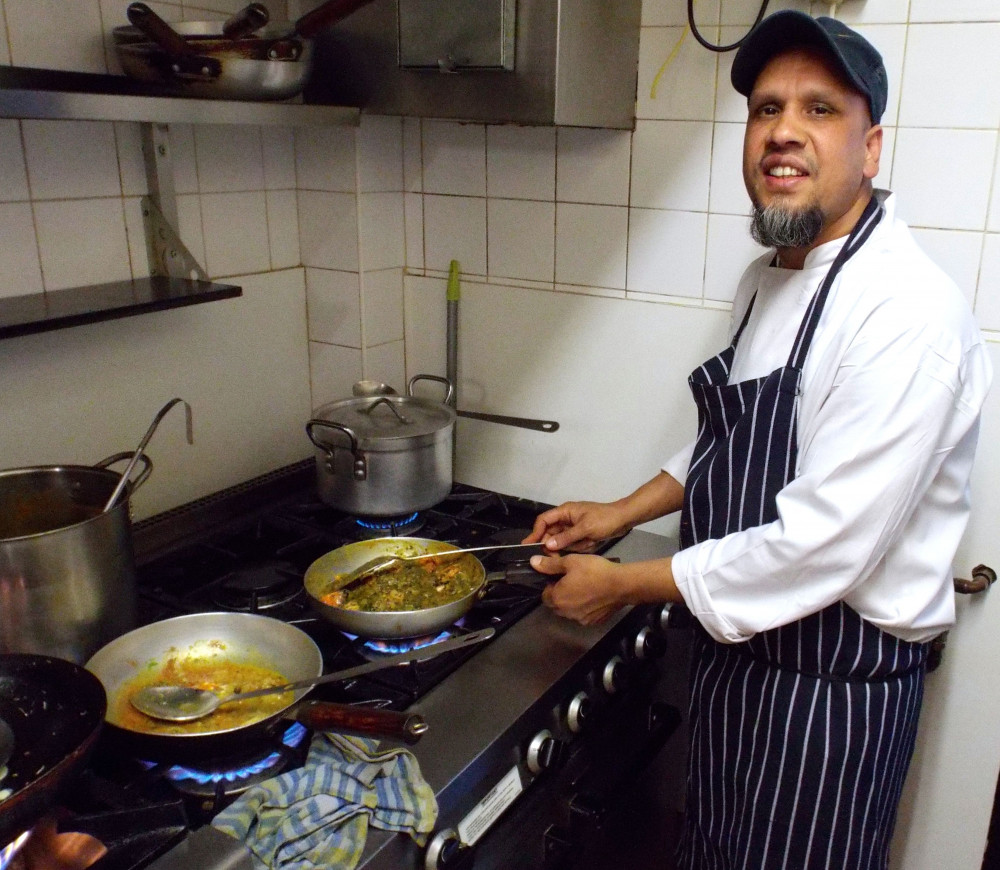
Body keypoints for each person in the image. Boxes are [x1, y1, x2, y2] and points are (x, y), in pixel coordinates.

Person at [523, 10, 992, 870]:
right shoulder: (767, 277)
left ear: (871, 146)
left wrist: (622, 585)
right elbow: (728, 442)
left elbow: (824, 545)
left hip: (828, 700)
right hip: (737, 662)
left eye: (820, 110)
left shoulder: (905, 314)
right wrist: (617, 513)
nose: (783, 132)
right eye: (765, 108)